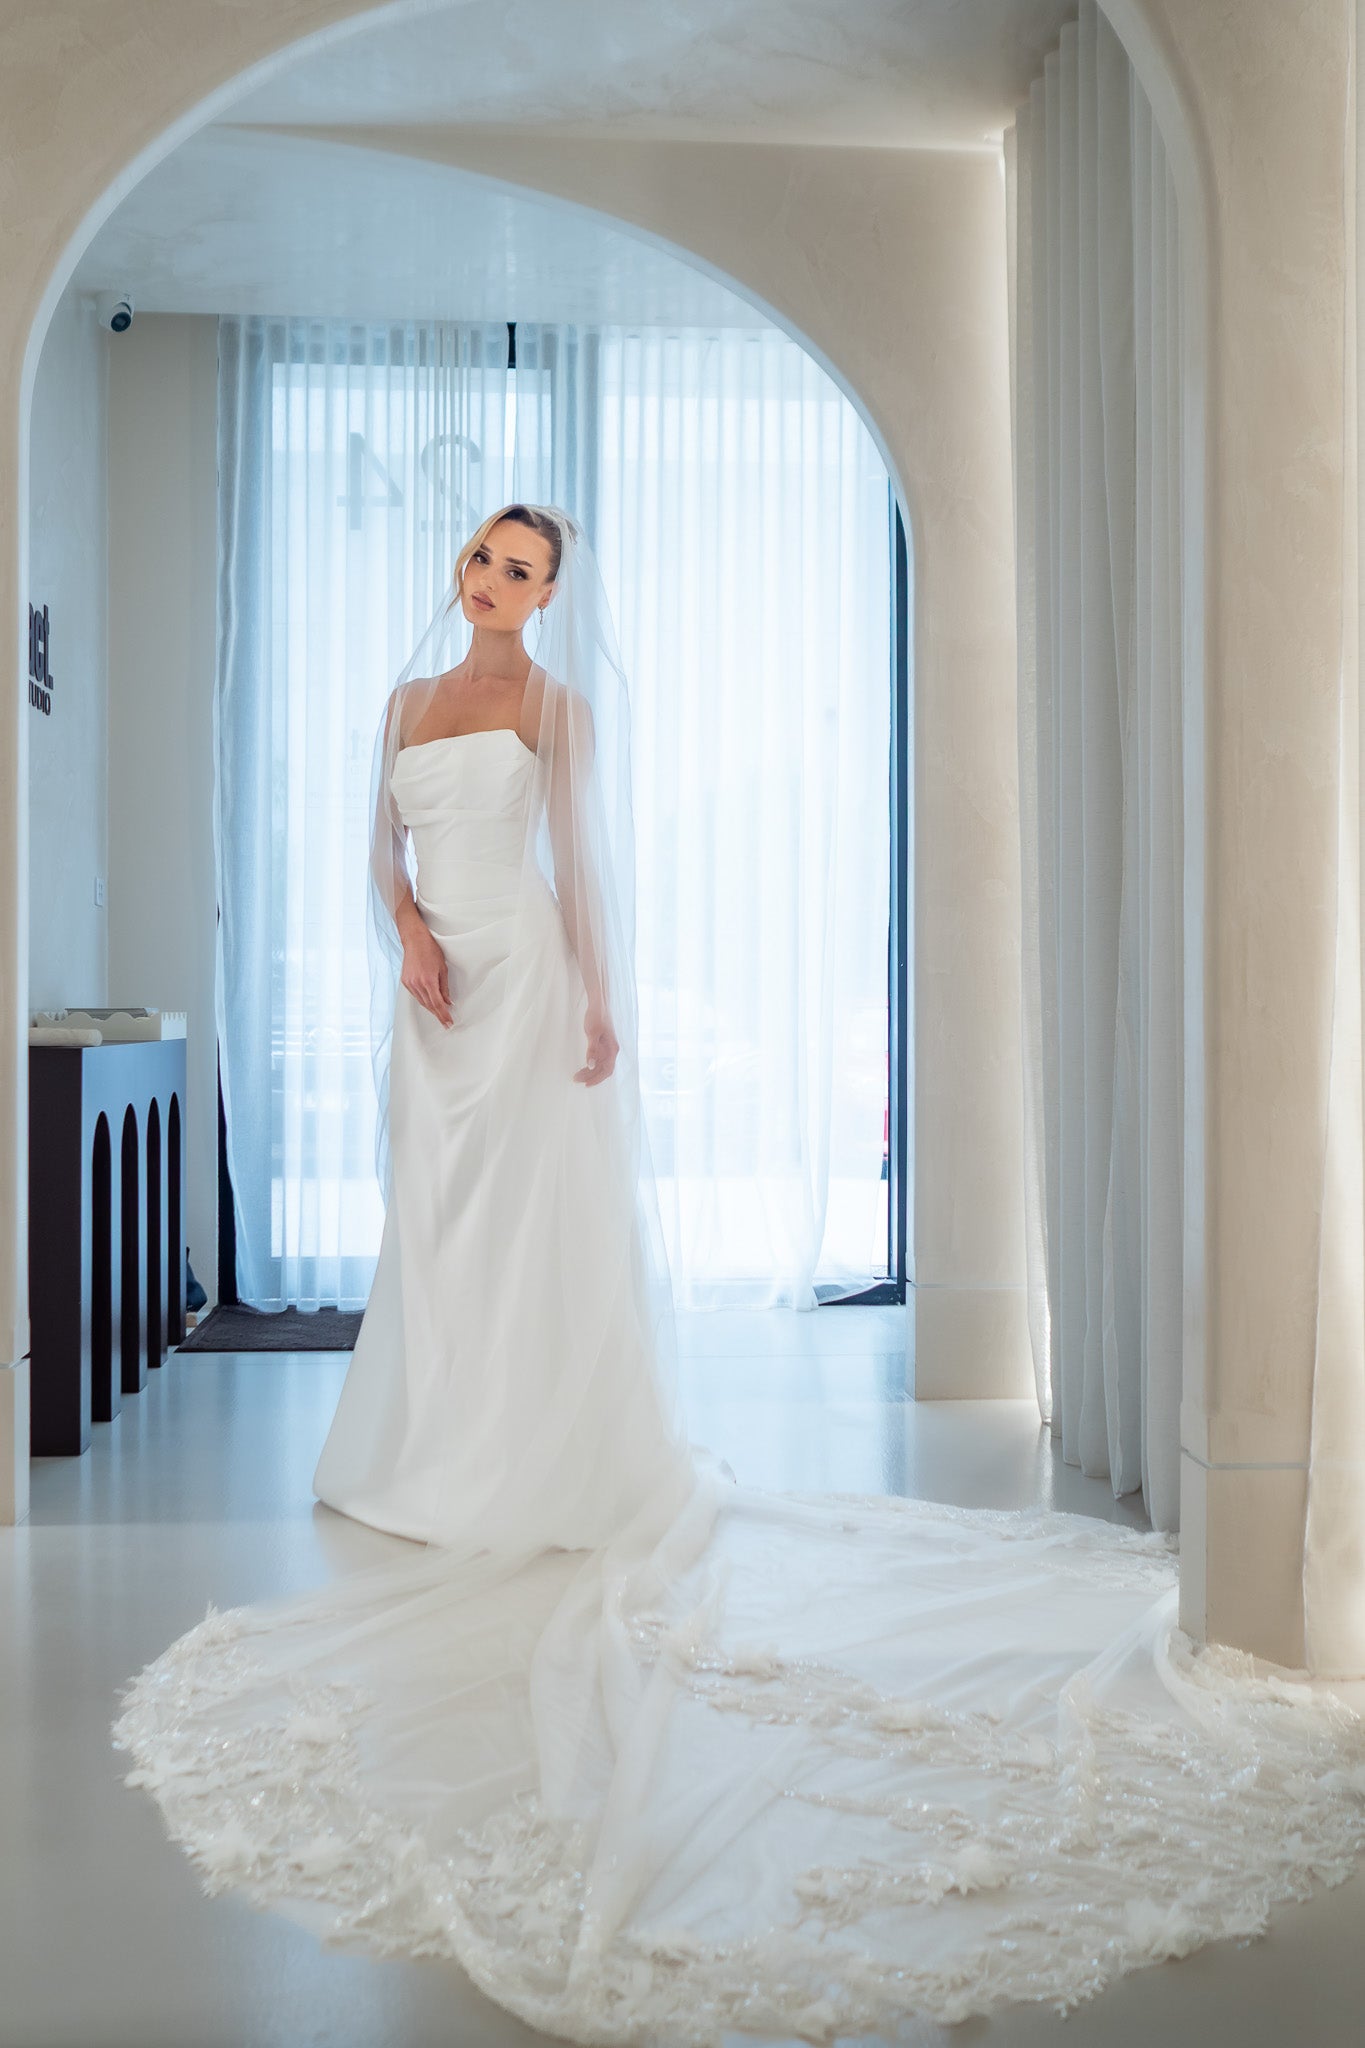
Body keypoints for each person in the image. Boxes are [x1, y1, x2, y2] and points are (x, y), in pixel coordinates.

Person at [114, 504, 1365, 2048]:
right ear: (461, 571)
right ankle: (426, 1441)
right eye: (483, 560)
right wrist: (402, 943)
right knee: (431, 1223)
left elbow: (578, 860)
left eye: (523, 571)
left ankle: (528, 1452)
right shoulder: (403, 702)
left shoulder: (553, 709)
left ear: (553, 597)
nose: (494, 583)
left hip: (526, 971)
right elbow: (377, 844)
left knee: (517, 1220)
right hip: (435, 983)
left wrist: (597, 1005)